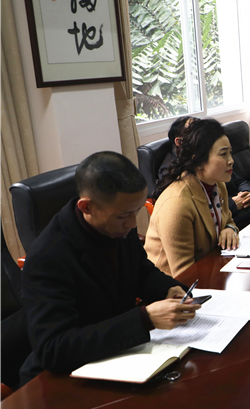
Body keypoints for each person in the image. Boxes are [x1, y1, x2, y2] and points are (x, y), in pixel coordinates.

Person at [19, 152, 200, 385]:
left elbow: (140, 271)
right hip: (65, 379)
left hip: (118, 356)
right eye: (124, 215)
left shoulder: (117, 226)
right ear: (86, 206)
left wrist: (168, 289)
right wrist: (144, 320)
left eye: (136, 211)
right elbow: (54, 349)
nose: (133, 224)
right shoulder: (48, 257)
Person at [146, 118, 240, 277]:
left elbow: (228, 220)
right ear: (199, 161)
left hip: (210, 270)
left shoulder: (218, 184)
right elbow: (184, 275)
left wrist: (230, 229)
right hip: (173, 286)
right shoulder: (176, 204)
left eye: (230, 152)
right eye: (223, 154)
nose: (231, 160)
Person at [160, 116, 250, 230]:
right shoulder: (174, 178)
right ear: (179, 141)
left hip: (239, 216)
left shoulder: (217, 175)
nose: (231, 161)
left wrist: (247, 194)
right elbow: (201, 212)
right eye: (194, 129)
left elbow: (238, 181)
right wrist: (233, 204)